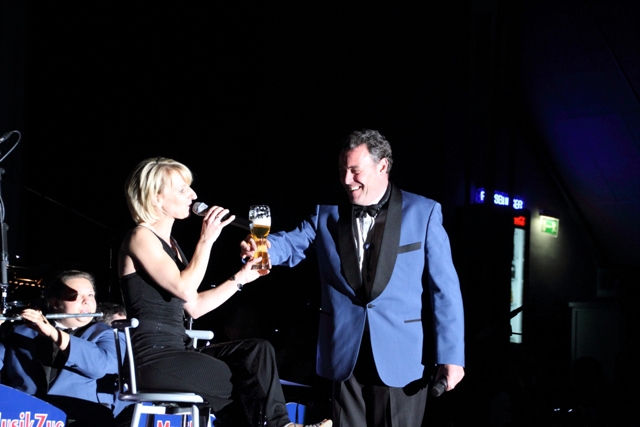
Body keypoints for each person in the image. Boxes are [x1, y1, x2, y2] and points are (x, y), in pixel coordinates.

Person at [241, 130, 465, 427]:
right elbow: (292, 244)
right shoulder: (327, 212)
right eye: (342, 170)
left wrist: (452, 355)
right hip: (345, 354)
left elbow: (445, 290)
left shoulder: (423, 213)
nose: (346, 179)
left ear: (383, 166)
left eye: (355, 170)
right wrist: (264, 248)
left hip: (402, 358)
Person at [118, 157, 331, 427]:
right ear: (156, 198)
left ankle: (282, 424)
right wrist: (206, 239)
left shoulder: (171, 244)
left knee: (257, 351)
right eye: (182, 190)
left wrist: (241, 278)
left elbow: (194, 306)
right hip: (154, 359)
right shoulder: (140, 237)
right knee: (233, 378)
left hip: (180, 351)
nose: (193, 196)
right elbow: (184, 288)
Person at [0, 270, 119, 427]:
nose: (86, 301)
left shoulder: (106, 333)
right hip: (25, 417)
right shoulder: (21, 331)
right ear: (55, 303)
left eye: (90, 295)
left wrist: (52, 333)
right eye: (75, 295)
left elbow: (100, 367)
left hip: (80, 418)